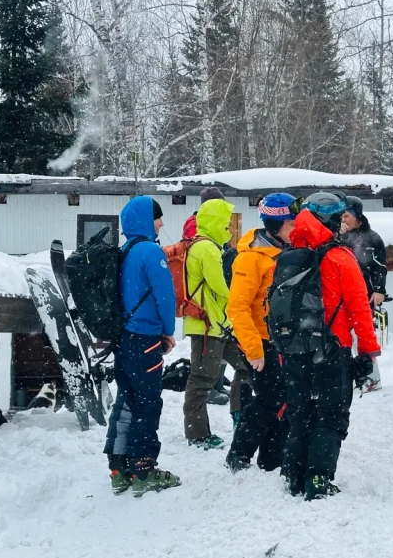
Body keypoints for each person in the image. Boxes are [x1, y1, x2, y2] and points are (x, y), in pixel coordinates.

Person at [280, 192, 381, 500]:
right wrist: (368, 352)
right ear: (333, 220)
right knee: (331, 414)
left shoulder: (289, 255)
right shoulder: (339, 257)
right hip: (331, 348)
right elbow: (359, 309)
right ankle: (318, 480)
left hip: (295, 349)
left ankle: (293, 475)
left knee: (300, 411)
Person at [104, 196, 181, 497]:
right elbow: (165, 295)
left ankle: (118, 467)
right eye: (159, 218)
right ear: (148, 220)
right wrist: (168, 331)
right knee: (147, 403)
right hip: (145, 338)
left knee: (127, 400)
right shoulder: (150, 250)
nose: (162, 224)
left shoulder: (125, 251)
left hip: (124, 339)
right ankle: (143, 469)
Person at [224, 193, 297, 473]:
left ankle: (271, 458)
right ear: (275, 226)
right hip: (261, 342)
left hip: (283, 341)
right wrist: (254, 350)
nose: (296, 230)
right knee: (267, 400)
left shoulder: (286, 252)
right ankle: (238, 455)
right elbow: (238, 307)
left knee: (286, 400)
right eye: (291, 225)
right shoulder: (250, 259)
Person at [182, 196, 248, 449]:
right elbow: (219, 286)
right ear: (214, 221)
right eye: (225, 223)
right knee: (201, 380)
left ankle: (240, 415)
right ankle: (197, 434)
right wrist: (241, 299)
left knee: (246, 366)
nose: (228, 229)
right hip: (207, 326)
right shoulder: (206, 248)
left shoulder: (205, 246)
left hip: (219, 325)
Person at [340, 195, 387, 392]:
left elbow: (380, 267)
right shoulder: (336, 236)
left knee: (363, 336)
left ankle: (371, 377)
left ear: (358, 216)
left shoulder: (372, 238)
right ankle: (348, 376)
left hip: (363, 295)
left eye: (346, 215)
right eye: (340, 216)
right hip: (340, 296)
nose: (343, 220)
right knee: (343, 338)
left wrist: (379, 290)